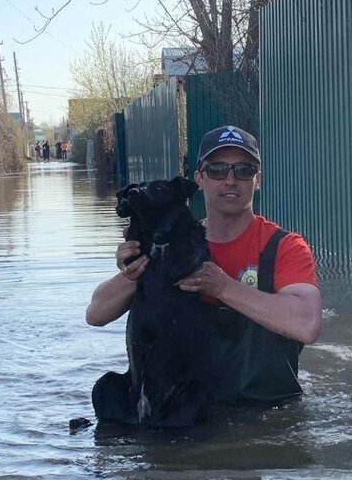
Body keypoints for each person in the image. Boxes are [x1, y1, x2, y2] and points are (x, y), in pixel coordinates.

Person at [86, 125, 321, 406]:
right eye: (217, 170)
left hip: (264, 413)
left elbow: (307, 324)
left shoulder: (285, 246)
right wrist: (133, 274)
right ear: (199, 179)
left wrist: (223, 287)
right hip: (185, 414)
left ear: (257, 179)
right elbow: (95, 315)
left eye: (244, 170)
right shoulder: (170, 247)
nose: (230, 180)